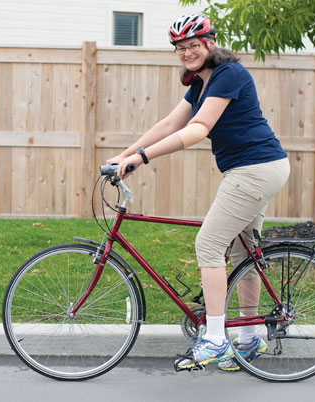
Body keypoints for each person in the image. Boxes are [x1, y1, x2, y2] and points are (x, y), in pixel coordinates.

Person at [107, 13, 290, 371]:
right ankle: (251, 339)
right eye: (180, 48)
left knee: (208, 244)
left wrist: (141, 158)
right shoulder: (199, 84)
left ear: (210, 44)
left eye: (193, 45)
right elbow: (169, 124)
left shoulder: (229, 74)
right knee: (243, 252)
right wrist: (126, 154)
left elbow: (197, 129)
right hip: (257, 168)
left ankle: (216, 340)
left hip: (254, 170)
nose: (187, 52)